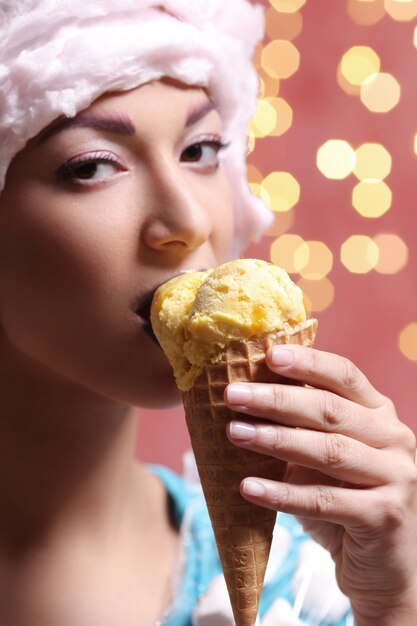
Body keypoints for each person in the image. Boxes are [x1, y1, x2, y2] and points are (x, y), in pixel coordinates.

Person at [0, 1, 416, 625]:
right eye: (91, 167)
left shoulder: (317, 585)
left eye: (201, 149)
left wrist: (396, 608)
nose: (189, 221)